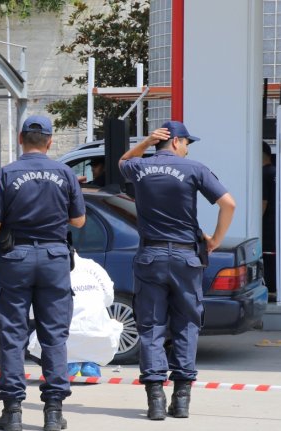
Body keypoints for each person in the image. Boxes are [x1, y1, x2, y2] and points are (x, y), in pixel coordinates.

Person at [119, 121, 235, 420]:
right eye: (186, 143)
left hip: (151, 256)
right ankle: (181, 399)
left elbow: (123, 161)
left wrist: (145, 143)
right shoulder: (194, 169)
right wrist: (215, 241)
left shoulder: (139, 169)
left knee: (152, 327)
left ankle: (155, 400)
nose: (186, 149)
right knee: (186, 325)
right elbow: (229, 204)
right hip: (185, 258)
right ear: (175, 142)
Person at [0, 115, 85, 431]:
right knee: (54, 335)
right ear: (50, 141)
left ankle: (12, 412)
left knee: (13, 334)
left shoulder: (7, 174)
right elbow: (79, 221)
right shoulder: (65, 173)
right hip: (54, 257)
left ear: (20, 138)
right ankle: (53, 412)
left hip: (15, 257)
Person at [27, 252, 123, 378]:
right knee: (110, 325)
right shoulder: (93, 266)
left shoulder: (47, 270)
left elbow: (32, 313)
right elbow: (108, 299)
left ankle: (67, 365)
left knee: (35, 339)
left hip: (63, 338)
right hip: (100, 337)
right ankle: (90, 364)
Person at [262, 142, 276, 301]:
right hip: (275, 226)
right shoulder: (275, 172)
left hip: (266, 226)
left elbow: (263, 203)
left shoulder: (264, 173)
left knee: (267, 259)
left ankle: (271, 290)